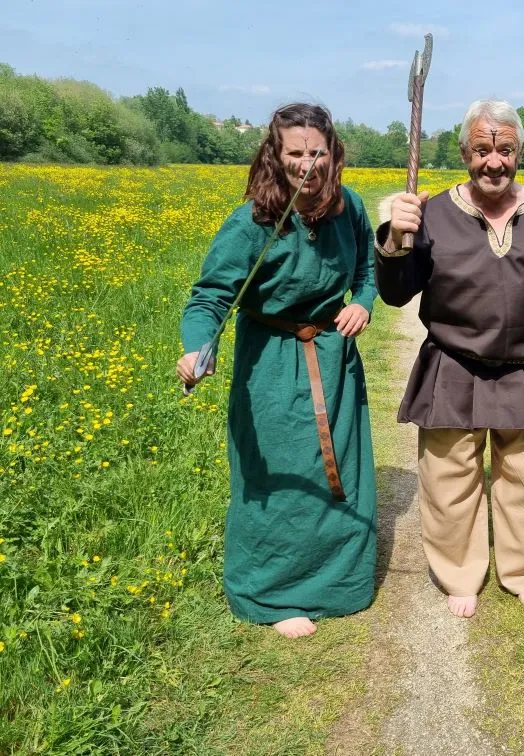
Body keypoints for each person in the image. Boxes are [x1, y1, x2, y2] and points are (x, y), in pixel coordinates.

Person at [376, 99, 524, 619]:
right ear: (464, 153)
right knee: (449, 479)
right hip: (453, 365)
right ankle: (460, 573)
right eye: (481, 150)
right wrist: (394, 238)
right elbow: (396, 295)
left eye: (504, 149)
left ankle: (523, 571)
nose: (493, 162)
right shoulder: (431, 215)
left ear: (519, 151)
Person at [176, 103, 378, 639]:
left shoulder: (348, 207)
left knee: (340, 476)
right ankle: (272, 592)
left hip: (334, 357)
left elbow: (366, 268)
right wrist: (199, 348)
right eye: (295, 153)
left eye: (317, 152)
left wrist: (363, 301)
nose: (307, 164)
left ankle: (340, 582)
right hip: (269, 362)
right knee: (277, 477)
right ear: (275, 154)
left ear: (332, 153)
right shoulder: (251, 222)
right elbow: (210, 297)